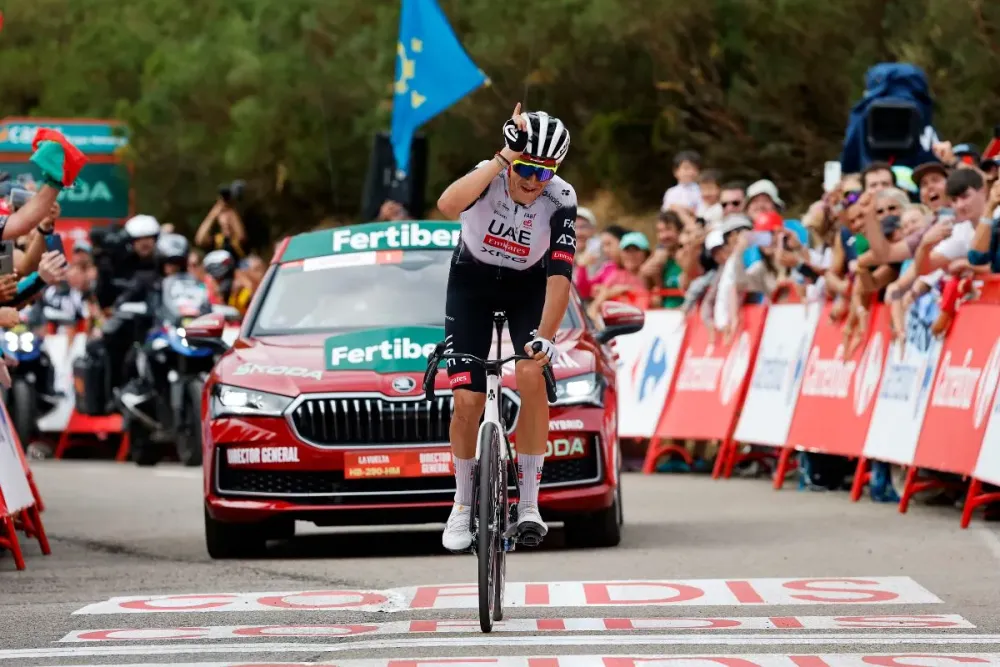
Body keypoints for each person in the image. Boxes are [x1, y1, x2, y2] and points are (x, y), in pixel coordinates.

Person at [435, 104, 577, 552]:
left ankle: (530, 504)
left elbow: (559, 276)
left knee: (532, 373)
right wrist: (502, 157)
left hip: (526, 289)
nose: (535, 181)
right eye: (528, 168)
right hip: (472, 283)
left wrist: (547, 338)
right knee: (467, 399)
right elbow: (447, 205)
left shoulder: (561, 198)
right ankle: (461, 505)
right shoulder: (491, 174)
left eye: (546, 171)